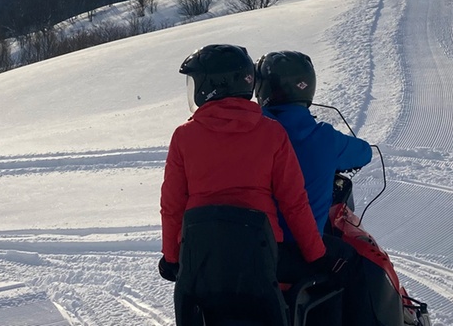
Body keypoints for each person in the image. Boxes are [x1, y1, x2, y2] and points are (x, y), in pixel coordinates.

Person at [159, 44, 347, 287]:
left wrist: (171, 257)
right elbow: (294, 201)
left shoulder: (184, 136)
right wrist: (315, 254)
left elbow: (172, 204)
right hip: (262, 254)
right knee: (335, 277)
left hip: (201, 254)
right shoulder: (271, 132)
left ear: (209, 86)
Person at [255, 50, 372, 237]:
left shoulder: (251, 134)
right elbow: (365, 152)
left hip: (259, 248)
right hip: (308, 248)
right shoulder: (325, 137)